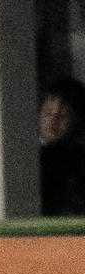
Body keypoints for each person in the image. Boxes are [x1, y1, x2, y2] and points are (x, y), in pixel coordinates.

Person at [38, 79, 85, 216]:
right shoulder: (28, 156)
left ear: (77, 121)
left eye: (62, 116)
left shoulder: (79, 162)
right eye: (48, 113)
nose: (53, 121)